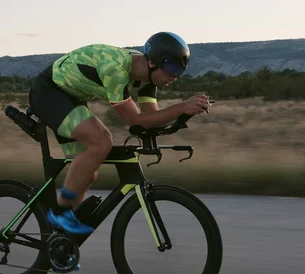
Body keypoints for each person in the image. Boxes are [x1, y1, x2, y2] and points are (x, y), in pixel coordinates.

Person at [28, 31, 211, 237]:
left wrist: (185, 115)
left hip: (71, 97)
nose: (174, 77)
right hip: (49, 92)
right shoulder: (115, 71)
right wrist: (181, 107)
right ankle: (60, 214)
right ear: (153, 63)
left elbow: (151, 120)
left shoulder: (148, 80)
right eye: (171, 68)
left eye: (179, 71)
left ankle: (59, 238)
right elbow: (136, 121)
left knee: (87, 172)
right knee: (101, 142)